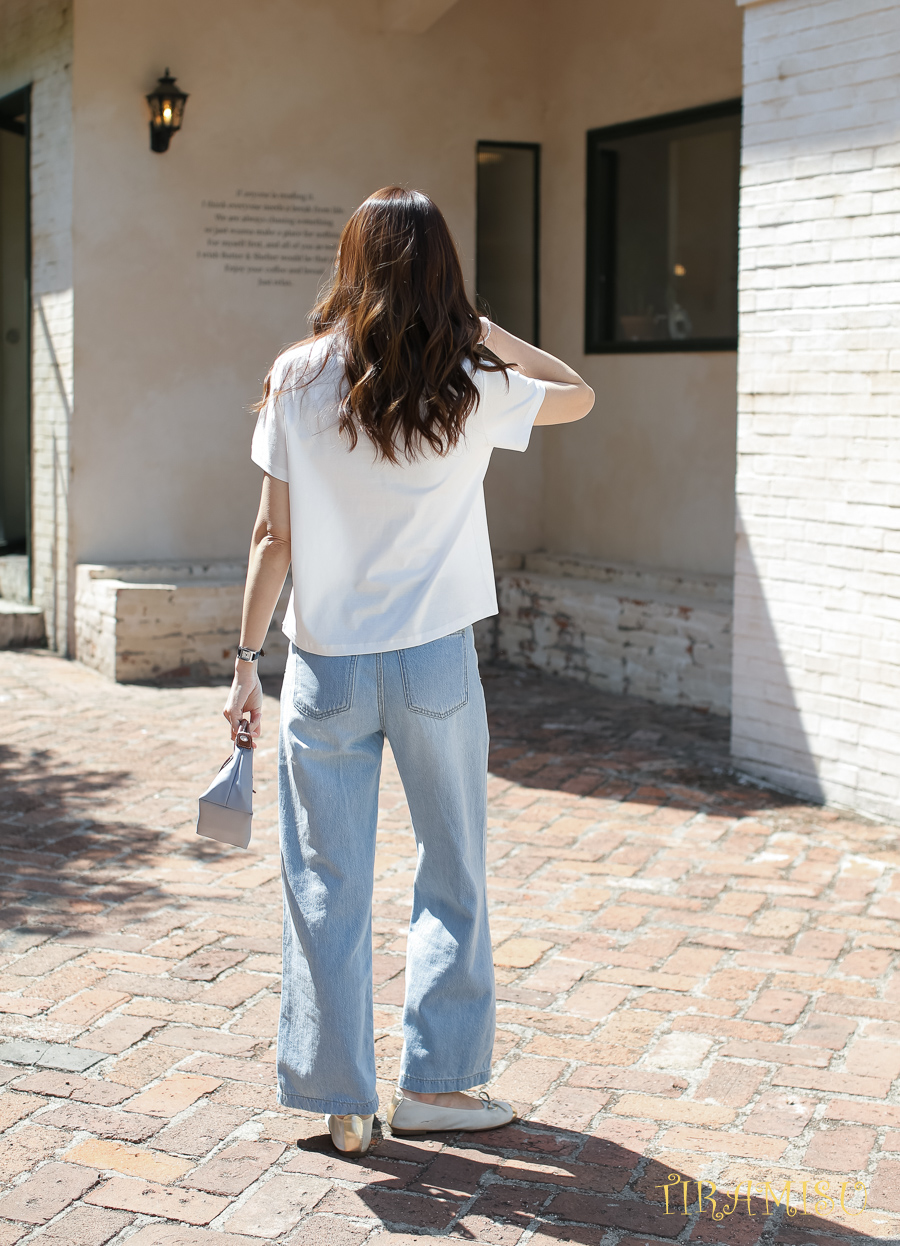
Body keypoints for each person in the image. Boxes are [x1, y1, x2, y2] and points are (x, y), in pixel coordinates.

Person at [223, 186, 594, 1155]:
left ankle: (341, 1098)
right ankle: (438, 1086)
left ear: (351, 265)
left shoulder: (297, 377)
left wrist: (244, 662)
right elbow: (578, 391)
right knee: (453, 867)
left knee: (324, 880)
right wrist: (483, 329)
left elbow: (272, 538)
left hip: (326, 668)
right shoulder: (471, 379)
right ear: (444, 276)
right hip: (435, 663)